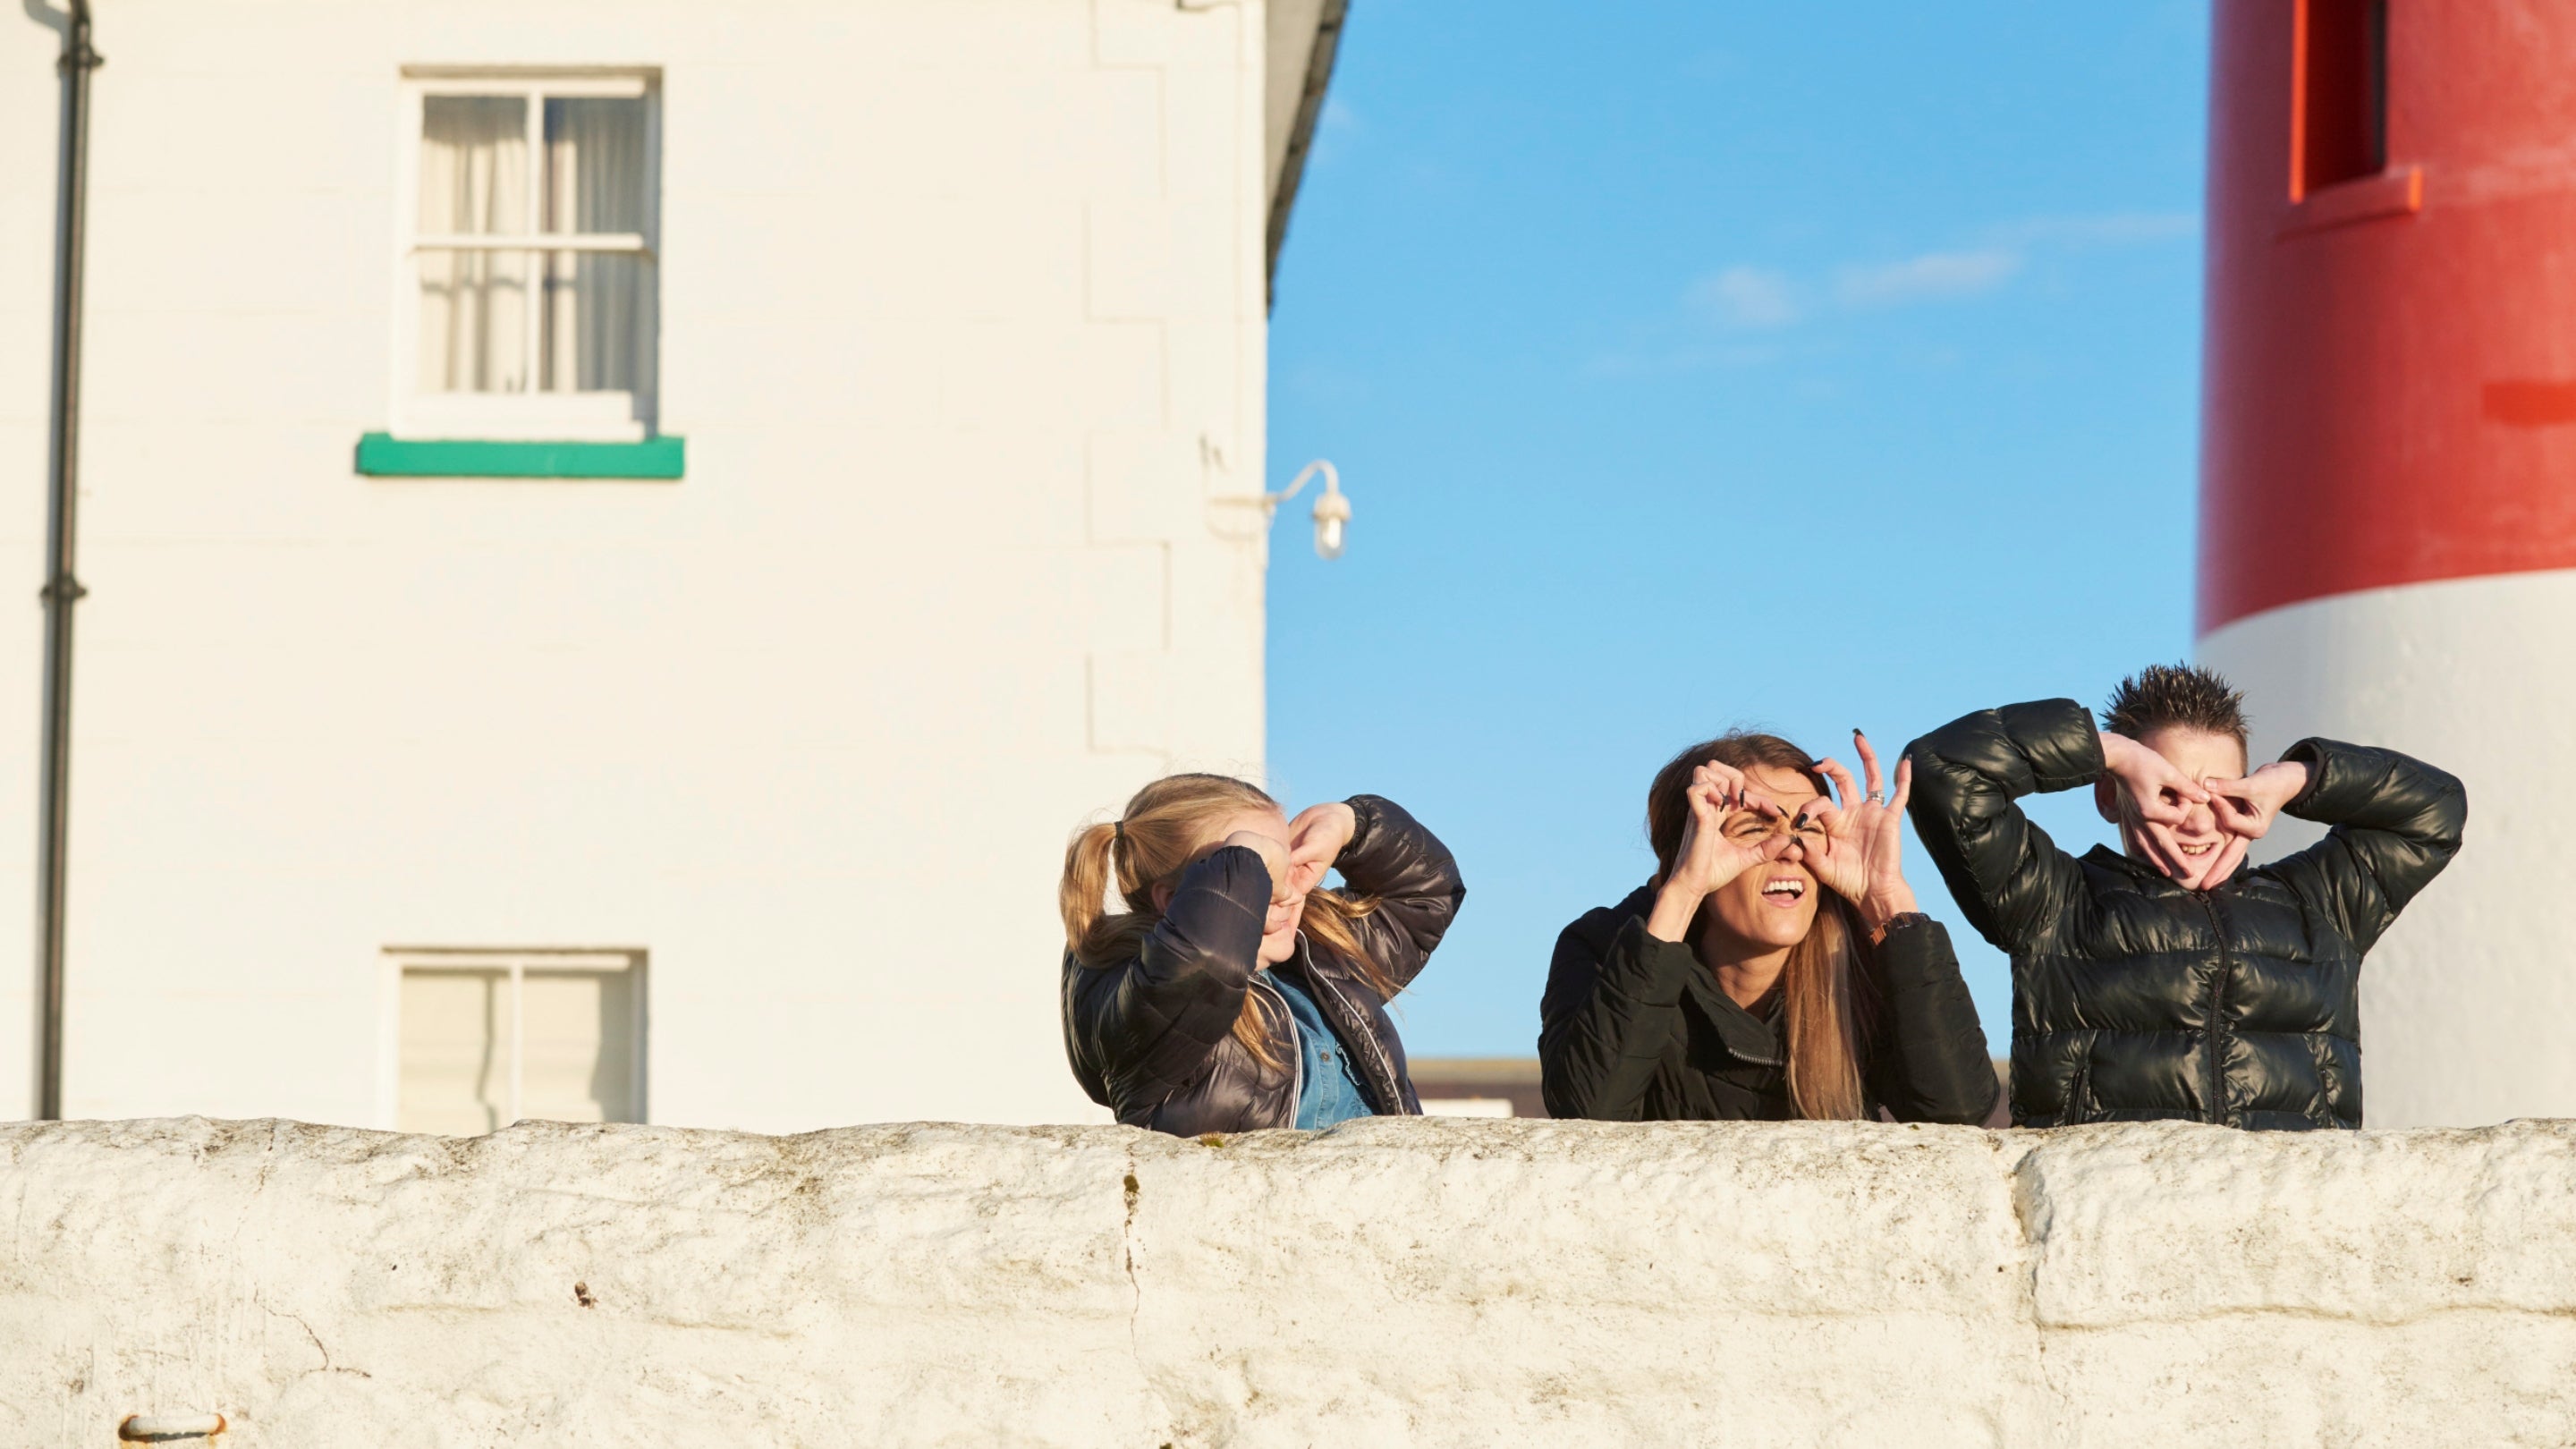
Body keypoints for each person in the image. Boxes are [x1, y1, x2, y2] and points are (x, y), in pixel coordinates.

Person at [1904, 664, 2467, 1130]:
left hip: (2294, 1237)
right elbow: (1943, 772)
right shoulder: (2053, 903)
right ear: (2110, 796)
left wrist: (2297, 778)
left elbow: (2434, 809)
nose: (2199, 824)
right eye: (2170, 790)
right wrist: (2112, 753)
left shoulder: (2320, 906)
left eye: (2224, 794)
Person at [1540, 731, 1997, 1123]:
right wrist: (1681, 894)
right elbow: (1589, 1117)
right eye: (1754, 829)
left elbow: (1956, 1114)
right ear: (1687, 851)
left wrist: (1886, 901)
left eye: (1809, 827)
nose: (1789, 848)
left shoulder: (1866, 959)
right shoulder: (1603, 947)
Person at [1058, 774, 1465, 1136]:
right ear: (1172, 900)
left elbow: (1426, 893)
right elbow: (1206, 962)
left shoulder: (1321, 955)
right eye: (1258, 874)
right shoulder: (1138, 996)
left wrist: (1349, 825)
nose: (1288, 893)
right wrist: (1247, 857)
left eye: (1285, 862)